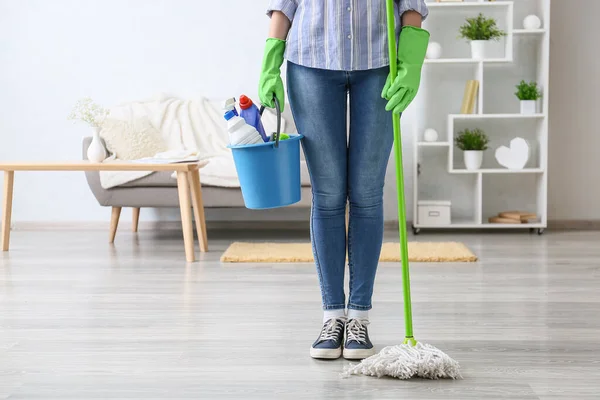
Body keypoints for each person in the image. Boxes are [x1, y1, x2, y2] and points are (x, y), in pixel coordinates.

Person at [259, 0, 429, 360]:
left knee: (367, 194)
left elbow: (411, 4)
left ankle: (359, 317)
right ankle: (332, 315)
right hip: (311, 63)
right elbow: (283, 4)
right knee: (329, 194)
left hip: (382, 63)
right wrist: (271, 61)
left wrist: (412, 58)